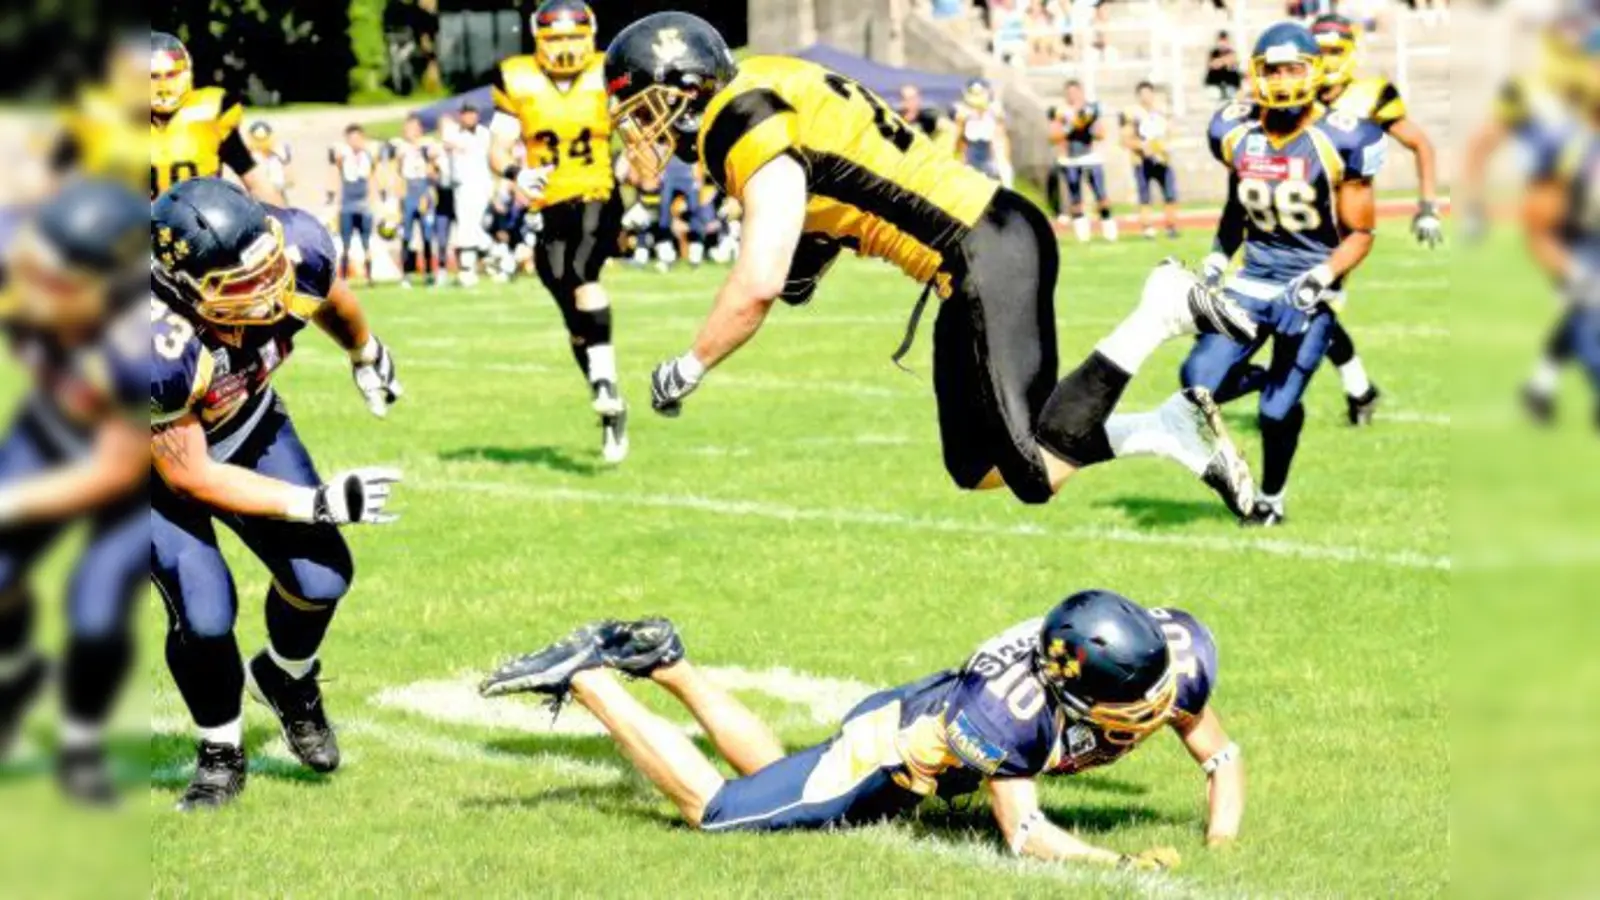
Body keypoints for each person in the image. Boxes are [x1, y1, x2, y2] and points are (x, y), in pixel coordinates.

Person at [607, 12, 1257, 516]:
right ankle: (1166, 429)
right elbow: (826, 219)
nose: (642, 134)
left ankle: (1161, 307)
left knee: (1033, 471)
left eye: (644, 114)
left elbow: (758, 285)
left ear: (686, 93)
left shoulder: (738, 121)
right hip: (968, 261)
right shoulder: (770, 80)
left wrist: (688, 366)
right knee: (978, 468)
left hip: (983, 248)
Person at [479, 589, 1244, 859]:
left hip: (902, 721)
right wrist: (1115, 868)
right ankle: (586, 679)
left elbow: (1220, 755)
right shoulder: (1008, 711)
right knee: (717, 816)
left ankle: (669, 662)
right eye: (1136, 702)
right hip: (889, 755)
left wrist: (1219, 844)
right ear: (1073, 684)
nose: (1158, 709)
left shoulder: (1152, 662)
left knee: (775, 777)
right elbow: (1027, 836)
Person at [150, 178, 404, 810]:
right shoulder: (150, 339)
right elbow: (191, 476)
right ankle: (220, 752)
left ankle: (287, 680)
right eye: (239, 286)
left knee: (322, 579)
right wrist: (314, 503)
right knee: (206, 613)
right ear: (187, 289)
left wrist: (365, 353)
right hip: (152, 468)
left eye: (267, 270)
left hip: (248, 422)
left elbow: (328, 295)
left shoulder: (294, 250)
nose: (266, 294)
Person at [1179, 21, 1386, 526]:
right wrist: (1215, 258)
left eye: (1294, 66)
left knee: (1275, 413)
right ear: (1256, 72)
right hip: (1250, 282)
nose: (1283, 77)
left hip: (1306, 287)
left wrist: (1321, 277)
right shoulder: (1235, 131)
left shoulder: (1340, 137)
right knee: (1197, 384)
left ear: (1314, 69)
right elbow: (1236, 206)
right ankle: (1269, 377)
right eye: (1273, 68)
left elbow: (1361, 233)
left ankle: (1271, 500)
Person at [0, 181, 149, 805]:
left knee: (96, 601)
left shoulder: (142, 343)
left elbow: (115, 471)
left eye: (59, 278)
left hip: (134, 474)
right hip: (52, 423)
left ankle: (81, 741)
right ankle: (18, 674)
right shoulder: (19, 253)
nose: (38, 286)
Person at [490, 0, 628, 465]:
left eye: (574, 38)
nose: (567, 49)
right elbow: (496, 146)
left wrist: (640, 170)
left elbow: (638, 128)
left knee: (583, 271)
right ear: (538, 40)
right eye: (557, 40)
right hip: (549, 206)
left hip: (598, 193)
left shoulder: (610, 70)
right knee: (571, 314)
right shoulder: (517, 77)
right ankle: (606, 399)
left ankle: (606, 380)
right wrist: (514, 172)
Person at [1309, 13, 1440, 424]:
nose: (1326, 60)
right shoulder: (1293, 92)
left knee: (1308, 309)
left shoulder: (1371, 94)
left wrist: (1428, 206)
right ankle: (1360, 391)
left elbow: (1420, 144)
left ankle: (1351, 391)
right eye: (1319, 51)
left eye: (1333, 51)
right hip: (1296, 221)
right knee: (1309, 313)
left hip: (1345, 227)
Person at [1520, 50, 1600, 430]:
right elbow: (1539, 221)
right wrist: (1566, 267)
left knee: (1582, 313)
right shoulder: (1568, 144)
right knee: (1588, 312)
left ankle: (1540, 384)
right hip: (1582, 244)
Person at [143, 32, 284, 203]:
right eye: (153, 76)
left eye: (171, 74)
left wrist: (284, 223)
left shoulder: (210, 115)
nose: (163, 85)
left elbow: (255, 181)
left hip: (200, 225)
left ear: (186, 73)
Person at [1047, 79, 1117, 242]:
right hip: (1070, 159)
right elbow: (1053, 136)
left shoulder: (1090, 110)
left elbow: (1101, 134)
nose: (1072, 96)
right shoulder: (1060, 112)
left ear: (1081, 92)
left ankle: (1108, 227)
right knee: (1075, 196)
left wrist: (1086, 127)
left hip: (1089, 157)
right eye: (1069, 93)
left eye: (1075, 92)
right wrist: (1070, 128)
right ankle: (1082, 232)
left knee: (1101, 194)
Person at [384, 115, 440, 288]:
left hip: (423, 191)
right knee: (406, 236)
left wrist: (429, 158)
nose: (411, 132)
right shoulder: (399, 147)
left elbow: (434, 171)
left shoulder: (428, 145)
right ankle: (406, 275)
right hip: (408, 192)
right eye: (408, 128)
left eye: (414, 128)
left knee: (427, 236)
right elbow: (394, 171)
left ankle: (429, 273)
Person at [1122, 82, 1180, 239]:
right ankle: (1147, 228)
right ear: (1138, 96)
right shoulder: (1132, 115)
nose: (1146, 97)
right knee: (1145, 196)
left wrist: (1164, 147)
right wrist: (1141, 146)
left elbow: (1171, 133)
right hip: (1142, 161)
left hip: (1162, 159)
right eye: (1143, 94)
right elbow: (1125, 139)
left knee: (1170, 194)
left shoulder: (1161, 113)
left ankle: (1171, 227)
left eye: (1148, 93)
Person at [446, 104, 495, 287]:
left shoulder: (484, 134)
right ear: (461, 116)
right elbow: (445, 143)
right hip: (461, 186)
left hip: (481, 185)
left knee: (472, 226)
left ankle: (494, 254)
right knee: (466, 227)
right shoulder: (454, 134)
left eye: (473, 114)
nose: (470, 118)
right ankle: (471, 269)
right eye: (466, 115)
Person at [329, 124, 379, 285]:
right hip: (347, 204)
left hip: (363, 204)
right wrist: (333, 201)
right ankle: (344, 278)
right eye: (351, 139)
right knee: (345, 243)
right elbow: (335, 176)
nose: (355, 142)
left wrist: (374, 201)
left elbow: (373, 178)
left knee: (367, 242)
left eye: (358, 138)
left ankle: (369, 277)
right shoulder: (342, 157)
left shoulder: (368, 156)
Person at [954, 79, 1015, 187]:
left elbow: (1002, 140)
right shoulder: (964, 114)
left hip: (989, 153)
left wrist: (1003, 162)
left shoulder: (994, 114)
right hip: (971, 154)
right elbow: (958, 144)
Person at [246, 121, 294, 204]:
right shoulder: (249, 154)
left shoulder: (280, 153)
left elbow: (291, 181)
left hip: (278, 196)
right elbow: (242, 184)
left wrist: (284, 160)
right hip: (256, 199)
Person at [1205, 31, 1243, 101]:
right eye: (1221, 41)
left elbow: (1234, 62)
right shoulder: (1214, 53)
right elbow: (1214, 64)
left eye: (1224, 41)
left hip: (1230, 86)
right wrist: (1225, 60)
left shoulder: (1231, 52)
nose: (1223, 44)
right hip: (1216, 86)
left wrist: (1223, 61)